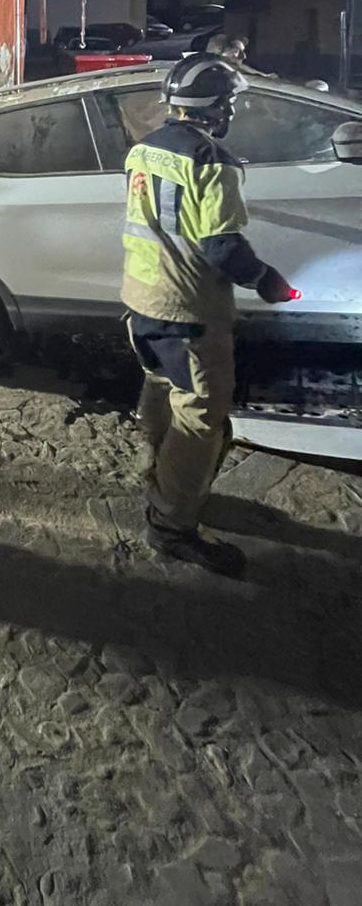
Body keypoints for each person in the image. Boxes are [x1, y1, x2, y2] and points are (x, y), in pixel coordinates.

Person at [121, 54, 295, 577]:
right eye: (230, 102)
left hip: (139, 302)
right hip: (188, 310)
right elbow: (221, 247)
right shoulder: (212, 161)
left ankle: (162, 476)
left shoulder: (142, 151)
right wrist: (268, 281)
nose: (232, 110)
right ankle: (172, 525)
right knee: (200, 416)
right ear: (217, 107)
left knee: (158, 385)